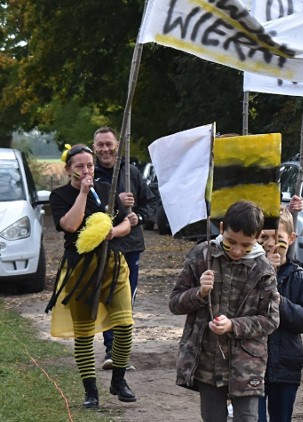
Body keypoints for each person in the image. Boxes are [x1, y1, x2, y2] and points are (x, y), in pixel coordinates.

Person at [169, 200, 281, 422]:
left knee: (247, 417)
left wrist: (233, 326)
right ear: (221, 229)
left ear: (258, 237)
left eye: (246, 245)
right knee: (213, 417)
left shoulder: (264, 269)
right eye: (230, 242)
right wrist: (199, 293)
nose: (237, 250)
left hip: (247, 363)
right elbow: (174, 303)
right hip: (207, 361)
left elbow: (271, 319)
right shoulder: (202, 255)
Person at [46, 144, 137, 408]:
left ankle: (118, 381)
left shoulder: (107, 191)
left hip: (113, 264)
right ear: (68, 170)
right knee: (84, 333)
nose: (86, 171)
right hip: (80, 270)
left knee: (125, 324)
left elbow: (126, 221)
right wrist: (84, 192)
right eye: (79, 167)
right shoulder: (60, 195)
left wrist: (113, 232)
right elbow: (70, 225)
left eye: (89, 165)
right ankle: (90, 391)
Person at [92, 126, 158, 370]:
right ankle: (111, 350)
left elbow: (150, 203)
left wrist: (137, 218)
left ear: (117, 145)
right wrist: (117, 202)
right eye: (101, 145)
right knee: (107, 297)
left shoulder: (130, 172)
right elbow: (91, 211)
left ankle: (121, 350)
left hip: (130, 247)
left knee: (126, 300)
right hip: (102, 247)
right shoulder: (92, 175)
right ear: (94, 147)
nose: (105, 149)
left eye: (109, 144)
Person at [257, 211, 303, 422]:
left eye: (278, 239)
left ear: (292, 238)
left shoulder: (301, 278)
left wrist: (279, 299)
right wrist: (264, 275)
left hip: (285, 365)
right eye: (264, 237)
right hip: (252, 366)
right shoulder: (249, 273)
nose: (270, 244)